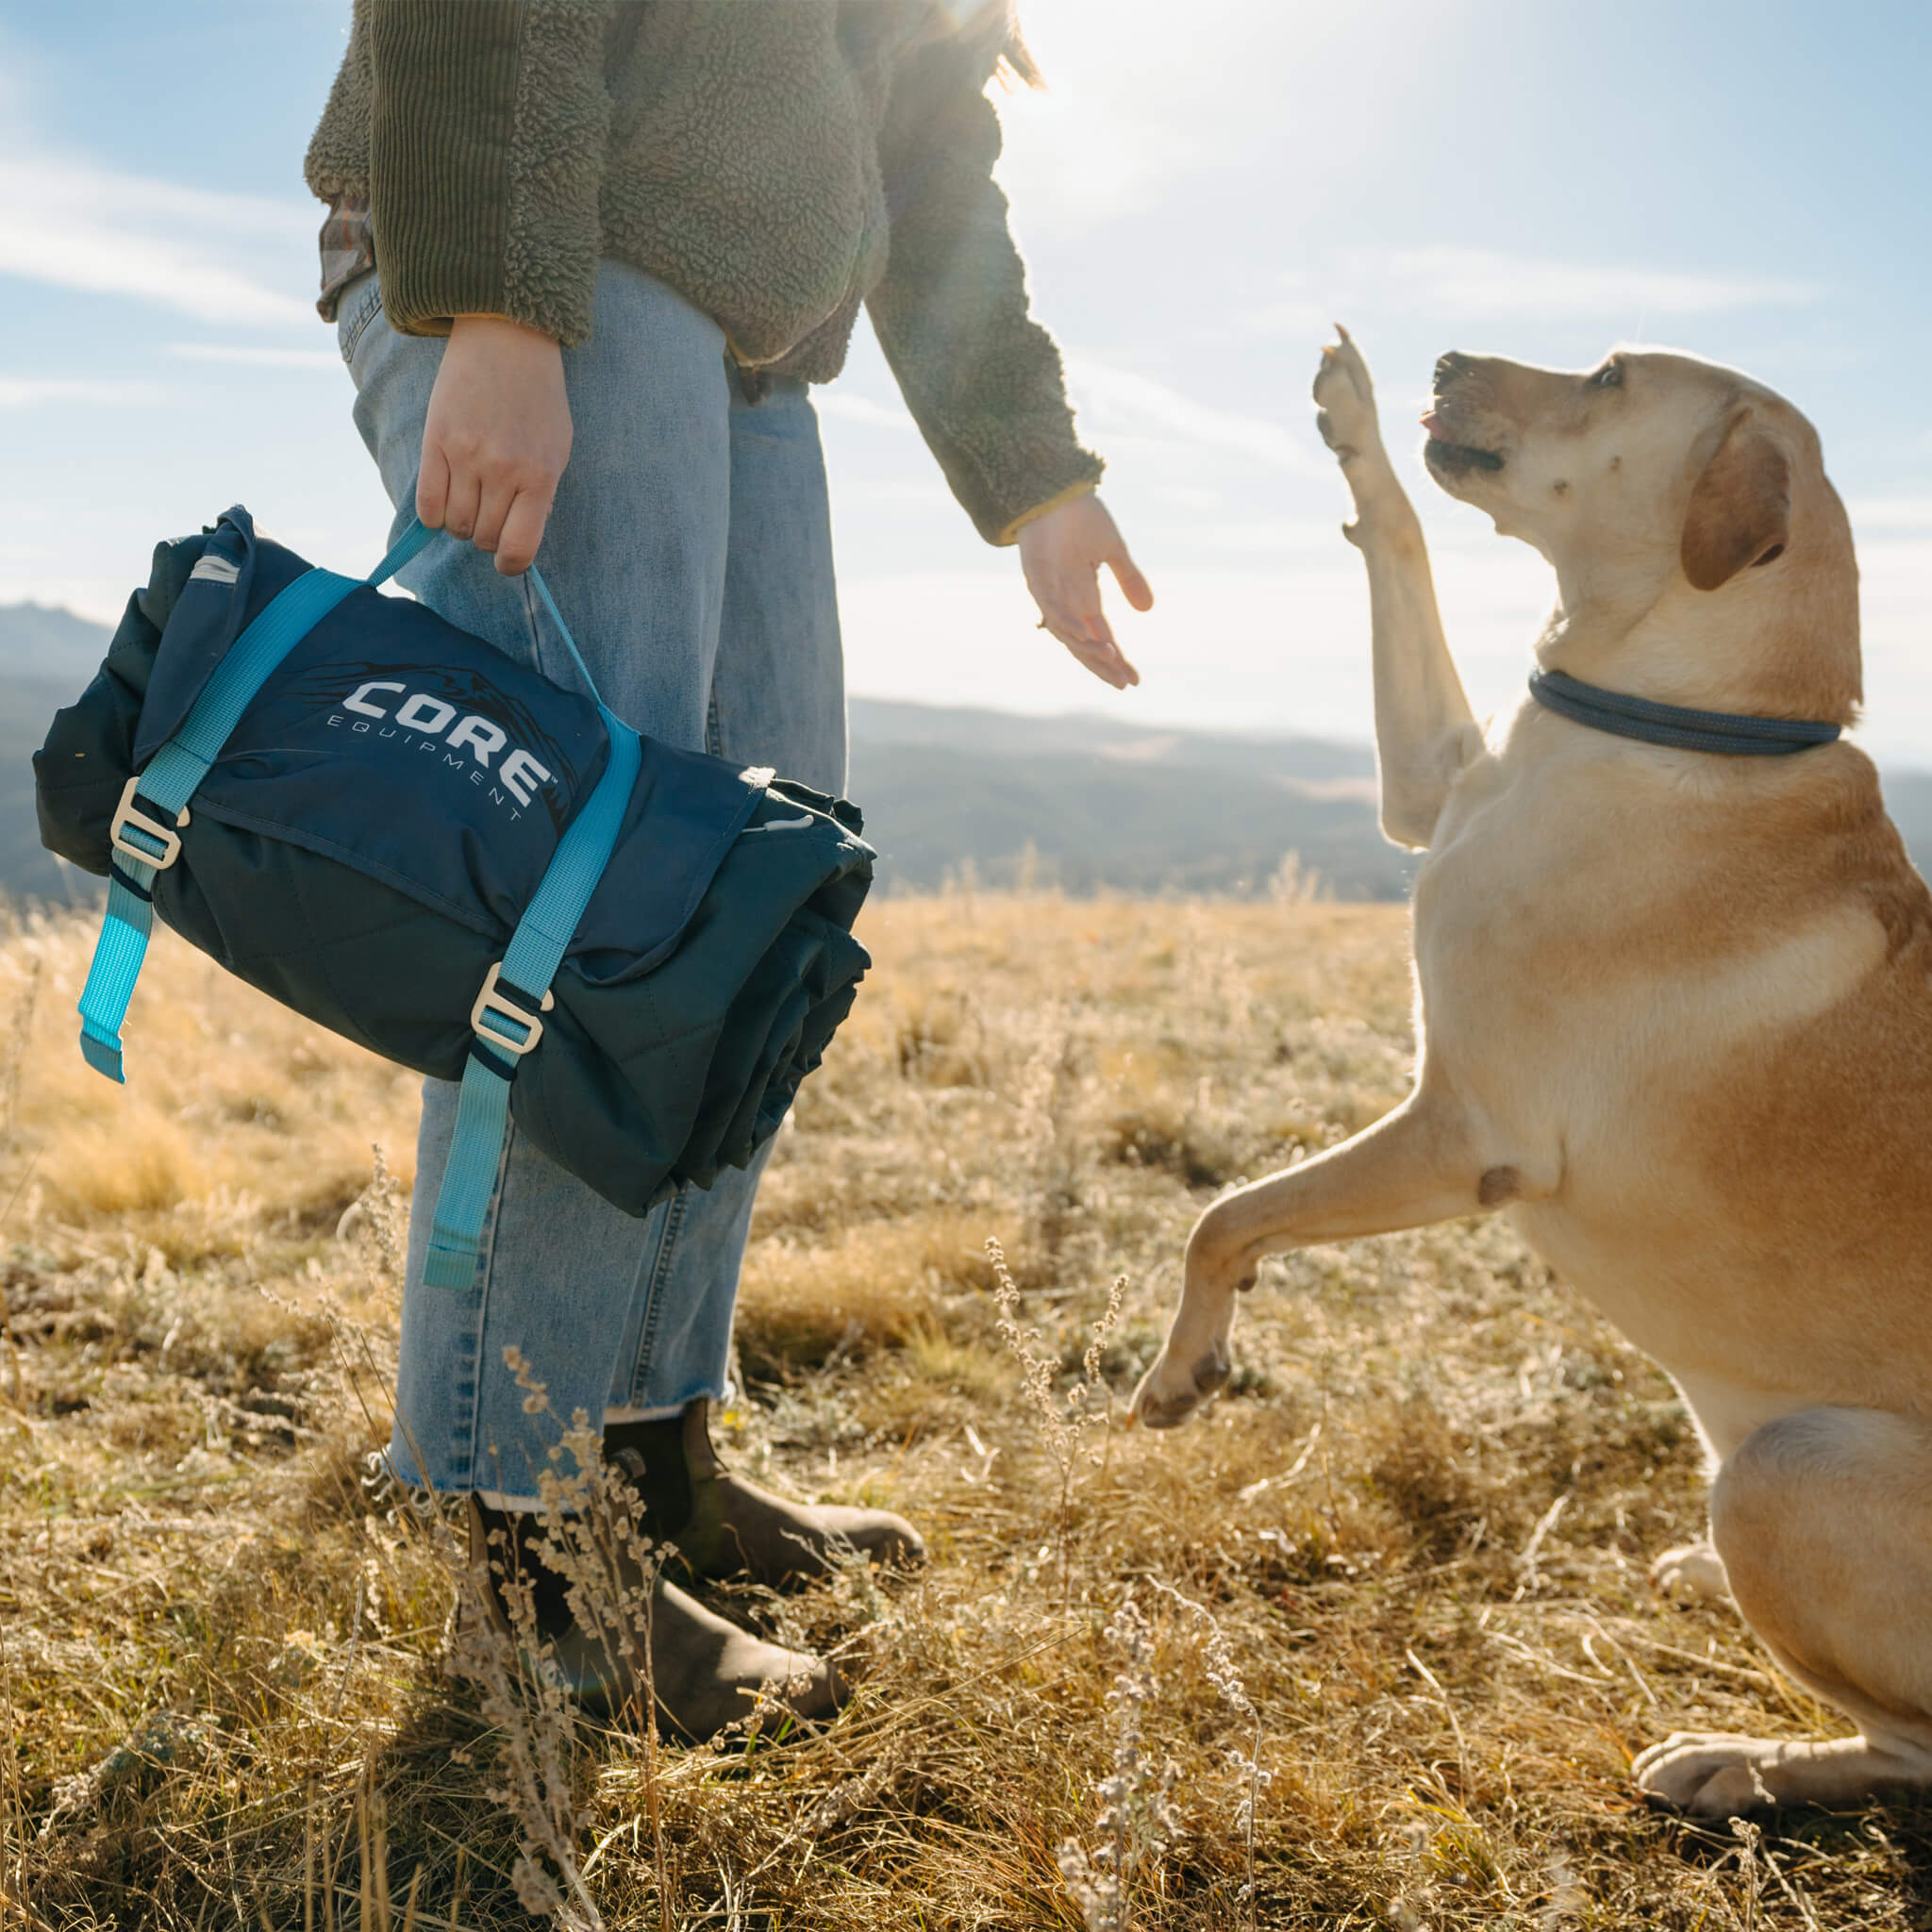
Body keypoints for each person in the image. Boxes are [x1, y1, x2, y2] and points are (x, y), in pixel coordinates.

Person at [305, 0, 1152, 1738]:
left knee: (747, 906)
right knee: (595, 918)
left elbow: (927, 165)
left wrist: (1036, 472)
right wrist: (496, 298)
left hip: (748, 349)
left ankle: (650, 1457)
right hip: (558, 256)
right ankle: (533, 1563)